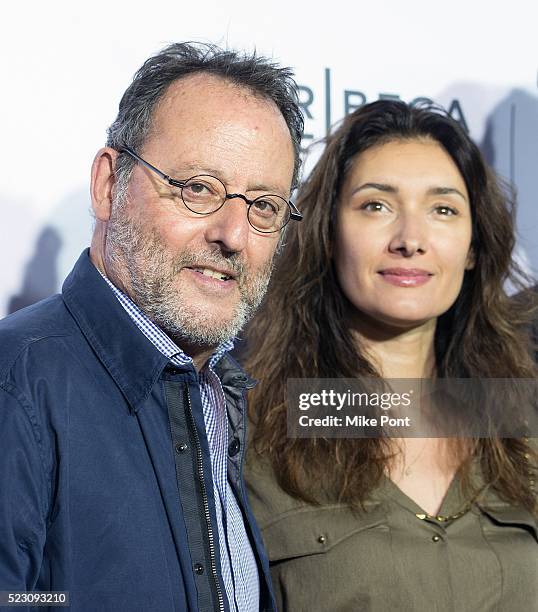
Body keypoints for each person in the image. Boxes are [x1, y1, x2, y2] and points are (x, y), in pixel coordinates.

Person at [0, 42, 303, 612]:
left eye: (264, 206)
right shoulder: (16, 384)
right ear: (109, 184)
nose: (233, 235)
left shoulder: (220, 394)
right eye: (198, 189)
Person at [244, 100, 537, 612]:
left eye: (443, 209)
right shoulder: (252, 431)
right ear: (329, 235)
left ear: (472, 247)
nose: (410, 240)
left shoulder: (520, 423)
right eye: (376, 206)